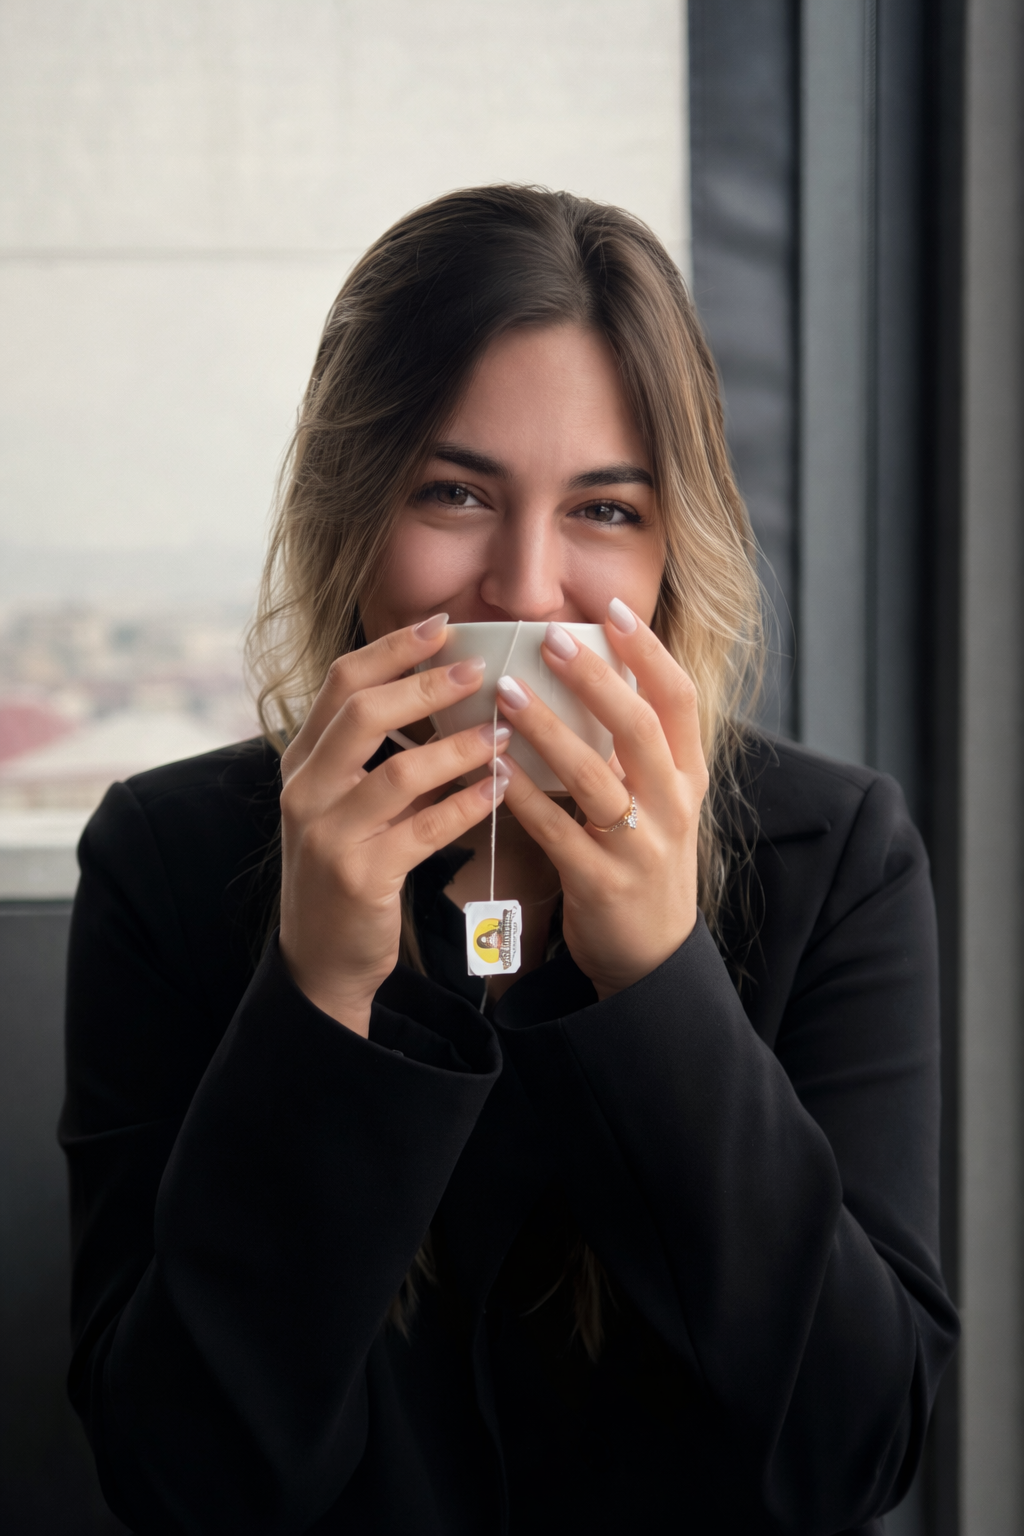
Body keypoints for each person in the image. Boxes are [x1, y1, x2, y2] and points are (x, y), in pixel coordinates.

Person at [60, 186, 957, 1536]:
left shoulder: (835, 861)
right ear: (351, 515)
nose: (526, 589)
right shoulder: (171, 861)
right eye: (456, 492)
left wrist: (660, 983)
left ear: (671, 555)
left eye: (604, 511)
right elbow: (186, 1484)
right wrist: (316, 1000)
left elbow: (854, 1453)